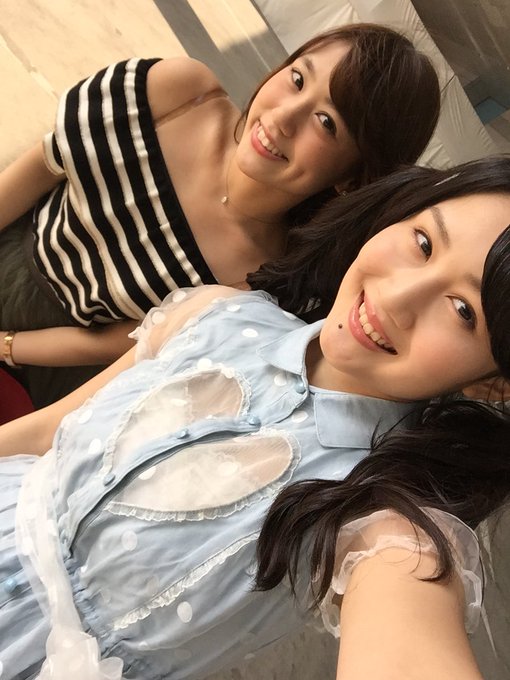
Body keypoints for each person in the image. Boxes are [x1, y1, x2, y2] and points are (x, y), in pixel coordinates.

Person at [3, 158, 510, 679]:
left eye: (463, 311)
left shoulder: (377, 506)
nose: (399, 297)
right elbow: (46, 432)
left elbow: (408, 627)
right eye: (424, 243)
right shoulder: (219, 313)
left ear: (493, 381)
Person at [0, 24, 441, 407]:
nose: (283, 117)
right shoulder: (180, 94)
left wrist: (10, 347)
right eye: (297, 79)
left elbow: (119, 343)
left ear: (352, 176)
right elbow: (41, 166)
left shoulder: (265, 279)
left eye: (326, 123)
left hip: (49, 369)